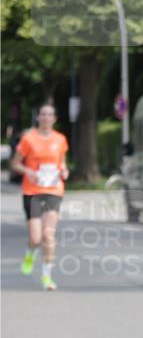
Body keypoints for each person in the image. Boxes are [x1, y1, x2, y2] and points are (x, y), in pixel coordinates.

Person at [10, 103, 70, 291]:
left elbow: (62, 163)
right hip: (32, 191)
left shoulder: (60, 139)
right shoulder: (29, 139)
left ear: (54, 118)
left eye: (49, 115)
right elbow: (15, 164)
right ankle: (30, 252)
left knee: (48, 235)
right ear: (38, 118)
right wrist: (28, 171)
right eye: (42, 114)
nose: (45, 118)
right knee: (36, 238)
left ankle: (47, 277)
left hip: (53, 190)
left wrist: (65, 171)